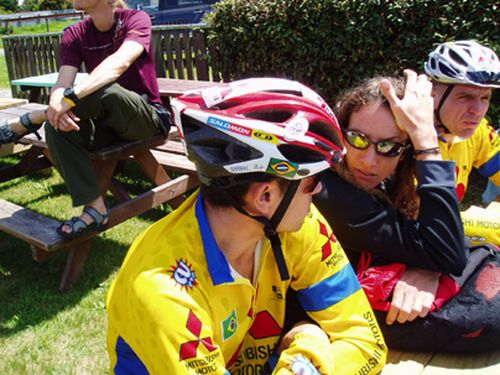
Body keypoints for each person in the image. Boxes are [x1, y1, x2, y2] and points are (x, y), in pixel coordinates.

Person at [106, 78, 387, 374]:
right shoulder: (165, 290)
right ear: (265, 196)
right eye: (313, 182)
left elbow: (367, 342)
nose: (318, 192)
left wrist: (305, 361)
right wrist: (310, 341)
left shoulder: (296, 226)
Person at [312, 71, 500, 352]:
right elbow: (449, 253)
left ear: (404, 154)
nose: (369, 159)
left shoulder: (388, 182)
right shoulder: (328, 190)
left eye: (389, 146)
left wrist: (424, 268)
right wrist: (426, 140)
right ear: (340, 133)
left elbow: (445, 246)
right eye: (357, 138)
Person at [0, 0, 171, 239]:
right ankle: (95, 209)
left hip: (148, 120)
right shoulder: (74, 33)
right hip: (107, 123)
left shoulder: (135, 19)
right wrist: (57, 105)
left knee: (104, 89)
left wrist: (68, 101)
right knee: (57, 127)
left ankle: (32, 118)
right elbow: (62, 84)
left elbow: (118, 64)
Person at [424, 40, 499, 203]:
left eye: (485, 97)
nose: (478, 110)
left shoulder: (479, 131)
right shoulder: (400, 133)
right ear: (432, 93)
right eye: (465, 97)